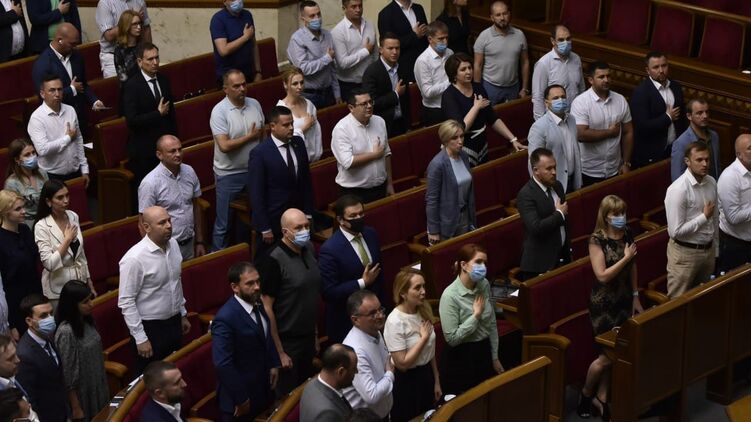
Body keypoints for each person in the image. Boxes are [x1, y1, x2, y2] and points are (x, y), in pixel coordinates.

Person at [579, 195, 642, 419]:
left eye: (623, 213)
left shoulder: (627, 233)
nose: (621, 217)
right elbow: (602, 276)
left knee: (616, 353)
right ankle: (586, 394)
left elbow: (633, 266)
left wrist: (635, 295)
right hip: (604, 306)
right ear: (606, 217)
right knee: (606, 356)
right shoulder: (597, 240)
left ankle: (602, 398)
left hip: (624, 300)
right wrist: (625, 258)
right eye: (616, 214)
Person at [118, 206, 191, 376]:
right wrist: (140, 338)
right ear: (146, 227)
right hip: (151, 328)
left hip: (173, 322)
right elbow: (126, 301)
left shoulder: (173, 245)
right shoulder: (134, 258)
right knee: (151, 379)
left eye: (169, 220)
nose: (169, 226)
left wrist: (182, 313)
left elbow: (175, 282)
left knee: (174, 373)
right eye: (162, 223)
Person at [259, 208, 320, 397]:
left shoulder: (309, 249)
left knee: (308, 392)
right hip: (287, 342)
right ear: (285, 232)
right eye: (298, 228)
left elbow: (310, 295)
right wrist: (279, 352)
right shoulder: (273, 260)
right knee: (289, 399)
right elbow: (267, 307)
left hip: (307, 336)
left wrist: (315, 334)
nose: (305, 231)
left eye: (306, 226)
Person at [212, 261, 280, 421]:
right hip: (240, 401)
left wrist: (273, 363)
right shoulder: (225, 318)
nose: (257, 287)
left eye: (258, 281)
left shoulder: (257, 302)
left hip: (261, 391)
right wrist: (241, 398)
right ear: (235, 287)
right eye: (250, 283)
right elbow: (223, 363)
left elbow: (265, 337)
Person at [247, 105, 315, 260]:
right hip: (273, 220)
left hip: (297, 218)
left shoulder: (298, 143)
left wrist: (308, 213)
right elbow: (256, 194)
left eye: (292, 123)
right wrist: (264, 227)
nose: (291, 128)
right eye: (286, 125)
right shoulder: (260, 153)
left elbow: (306, 182)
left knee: (299, 259)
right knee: (271, 262)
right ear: (273, 126)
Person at [209, 69, 264, 252]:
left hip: (253, 171)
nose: (242, 89)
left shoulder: (255, 104)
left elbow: (262, 135)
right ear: (226, 89)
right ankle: (217, 259)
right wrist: (250, 137)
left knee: (251, 218)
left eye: (244, 84)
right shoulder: (219, 111)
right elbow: (224, 145)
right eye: (236, 86)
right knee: (224, 224)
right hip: (229, 175)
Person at [319, 195, 384, 344]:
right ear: (340, 220)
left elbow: (379, 272)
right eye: (353, 216)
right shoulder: (330, 249)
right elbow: (329, 292)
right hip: (347, 321)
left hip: (375, 315)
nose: (359, 218)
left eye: (361, 213)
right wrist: (362, 282)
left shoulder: (371, 234)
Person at [438, 243, 502, 394]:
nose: (483, 267)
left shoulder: (484, 284)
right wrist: (476, 316)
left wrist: (494, 357)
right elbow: (452, 339)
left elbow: (492, 323)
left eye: (485, 262)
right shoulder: (449, 296)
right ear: (464, 265)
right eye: (478, 262)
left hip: (483, 352)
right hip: (461, 359)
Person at [442, 52, 523, 167]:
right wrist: (476, 107)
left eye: (470, 68)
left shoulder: (478, 88)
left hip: (482, 145)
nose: (468, 72)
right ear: (454, 74)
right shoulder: (449, 96)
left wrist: (513, 139)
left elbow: (492, 117)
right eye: (463, 69)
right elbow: (460, 129)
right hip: (463, 148)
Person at [384, 269, 440, 422]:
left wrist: (436, 379)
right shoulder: (395, 321)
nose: (423, 291)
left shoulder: (423, 309)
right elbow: (402, 364)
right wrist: (423, 339)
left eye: (423, 286)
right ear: (403, 293)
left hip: (426, 374)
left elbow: (430, 350)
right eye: (417, 288)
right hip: (407, 382)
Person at [138, 135, 205, 261]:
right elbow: (143, 222)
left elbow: (196, 207)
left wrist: (199, 241)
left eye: (180, 149)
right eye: (172, 151)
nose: (178, 154)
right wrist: (153, 255)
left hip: (190, 244)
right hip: (165, 249)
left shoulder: (189, 171)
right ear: (159, 155)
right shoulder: (150, 183)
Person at [664, 141, 718, 298]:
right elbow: (675, 232)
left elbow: (715, 219)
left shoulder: (711, 182)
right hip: (685, 255)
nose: (705, 164)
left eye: (707, 159)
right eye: (699, 160)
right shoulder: (678, 190)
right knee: (677, 302)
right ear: (687, 161)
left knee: (704, 300)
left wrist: (716, 249)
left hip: (708, 251)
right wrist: (703, 217)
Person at [31, 23, 105, 136]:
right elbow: (46, 97)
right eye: (72, 44)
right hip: (59, 122)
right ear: (60, 40)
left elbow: (83, 84)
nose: (75, 47)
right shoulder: (43, 64)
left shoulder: (77, 56)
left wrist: (94, 101)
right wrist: (71, 90)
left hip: (80, 119)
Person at [122, 42, 177, 188]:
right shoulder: (132, 86)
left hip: (165, 148)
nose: (155, 62)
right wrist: (157, 114)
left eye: (157, 58)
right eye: (150, 59)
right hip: (144, 150)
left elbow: (171, 114)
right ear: (140, 62)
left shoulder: (164, 80)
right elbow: (132, 120)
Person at [570, 61, 634, 187]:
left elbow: (628, 132)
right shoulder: (581, 102)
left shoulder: (620, 100)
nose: (606, 80)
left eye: (608, 76)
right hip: (588, 170)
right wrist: (609, 133)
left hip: (615, 168)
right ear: (591, 80)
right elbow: (581, 135)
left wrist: (626, 163)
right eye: (601, 77)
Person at [34, 179, 95, 306]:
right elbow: (49, 264)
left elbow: (81, 253)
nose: (66, 200)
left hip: (80, 284)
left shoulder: (73, 216)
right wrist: (67, 240)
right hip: (58, 289)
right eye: (60, 197)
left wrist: (88, 281)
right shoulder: (41, 226)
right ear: (48, 202)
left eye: (67, 195)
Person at [54, 280, 108, 422]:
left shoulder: (87, 321)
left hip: (98, 384)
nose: (91, 304)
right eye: (85, 302)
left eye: (90, 299)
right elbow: (67, 375)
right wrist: (76, 407)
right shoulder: (66, 332)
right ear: (72, 305)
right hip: (83, 394)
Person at [331, 89, 394, 203]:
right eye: (364, 104)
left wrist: (389, 183)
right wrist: (374, 155)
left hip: (380, 188)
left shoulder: (380, 121)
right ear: (351, 108)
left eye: (370, 102)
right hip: (354, 192)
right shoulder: (341, 129)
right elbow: (348, 162)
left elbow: (386, 153)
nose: (369, 106)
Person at [517, 148, 570, 281]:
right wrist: (559, 214)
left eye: (554, 167)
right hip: (539, 264)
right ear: (536, 171)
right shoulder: (526, 195)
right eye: (548, 169)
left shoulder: (557, 186)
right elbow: (536, 227)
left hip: (561, 257)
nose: (554, 172)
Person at [27, 74, 89, 185]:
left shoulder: (70, 110)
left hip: (75, 172)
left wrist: (84, 169)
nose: (57, 94)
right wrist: (67, 138)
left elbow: (78, 139)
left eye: (59, 89)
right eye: (52, 90)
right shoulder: (37, 118)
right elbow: (43, 149)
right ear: (42, 94)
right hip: (52, 176)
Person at [342, 290, 394, 419]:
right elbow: (371, 396)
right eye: (372, 313)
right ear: (355, 320)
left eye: (380, 309)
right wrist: (390, 374)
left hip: (384, 412)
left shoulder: (375, 331)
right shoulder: (355, 351)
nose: (380, 316)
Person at [631, 51, 687, 168]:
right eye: (656, 67)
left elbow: (682, 119)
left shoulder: (676, 87)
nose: (661, 70)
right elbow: (642, 126)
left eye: (664, 66)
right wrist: (667, 117)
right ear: (648, 70)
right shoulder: (641, 92)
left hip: (675, 150)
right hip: (651, 155)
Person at [15, 294, 67, 422]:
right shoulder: (24, 355)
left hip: (62, 411)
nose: (50, 319)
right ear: (29, 321)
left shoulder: (48, 336)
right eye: (43, 316)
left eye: (51, 313)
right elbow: (30, 399)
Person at [0, 190, 43, 339]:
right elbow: (4, 285)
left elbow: (34, 261)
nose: (24, 211)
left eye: (23, 207)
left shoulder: (24, 230)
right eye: (18, 209)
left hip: (35, 293)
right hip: (15, 301)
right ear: (5, 212)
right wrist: (11, 324)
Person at [426, 119, 476, 244]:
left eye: (462, 136)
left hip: (465, 216)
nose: (460, 141)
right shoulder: (437, 164)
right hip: (447, 222)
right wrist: (433, 230)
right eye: (455, 138)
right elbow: (432, 199)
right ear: (445, 140)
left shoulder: (464, 156)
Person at [527, 84, 582, 193]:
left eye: (563, 97)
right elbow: (533, 162)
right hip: (553, 185)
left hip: (573, 180)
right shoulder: (539, 126)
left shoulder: (571, 120)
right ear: (546, 102)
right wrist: (542, 191)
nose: (560, 100)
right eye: (556, 98)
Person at [473, 0, 529, 105]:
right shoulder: (484, 37)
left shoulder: (519, 35)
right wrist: (478, 90)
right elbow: (477, 65)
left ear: (509, 14)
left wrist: (524, 88)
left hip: (513, 87)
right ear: (492, 17)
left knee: (512, 114)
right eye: (498, 15)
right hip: (490, 87)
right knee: (489, 114)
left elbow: (525, 62)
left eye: (505, 13)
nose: (502, 18)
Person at [287, 0, 340, 109]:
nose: (317, 18)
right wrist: (326, 58)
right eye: (312, 16)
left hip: (329, 92)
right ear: (303, 19)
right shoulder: (297, 39)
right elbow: (302, 69)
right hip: (309, 95)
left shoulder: (328, 35)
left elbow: (332, 68)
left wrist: (337, 92)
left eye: (318, 14)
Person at [531, 24, 585, 120]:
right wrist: (541, 123)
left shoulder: (576, 59)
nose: (566, 42)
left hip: (575, 116)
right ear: (553, 41)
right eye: (561, 40)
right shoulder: (543, 64)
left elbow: (581, 88)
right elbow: (538, 97)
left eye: (568, 39)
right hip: (553, 119)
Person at [361, 32, 409, 138]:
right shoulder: (372, 72)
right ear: (381, 50)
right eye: (390, 48)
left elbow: (407, 98)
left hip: (402, 122)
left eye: (397, 48)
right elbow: (372, 103)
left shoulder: (403, 67)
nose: (394, 52)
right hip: (383, 125)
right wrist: (395, 95)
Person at [331, 0, 378, 103]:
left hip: (370, 81)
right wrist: (365, 51)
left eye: (360, 6)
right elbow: (342, 63)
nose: (358, 9)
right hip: (349, 86)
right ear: (344, 8)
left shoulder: (370, 24)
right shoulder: (338, 32)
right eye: (354, 6)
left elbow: (375, 54)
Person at [717, 134, 751, 273]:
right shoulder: (729, 177)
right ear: (739, 155)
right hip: (735, 245)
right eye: (750, 148)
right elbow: (733, 217)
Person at [299, 343, 356, 422]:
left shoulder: (312, 384)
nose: (357, 371)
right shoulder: (327, 414)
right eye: (354, 369)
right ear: (341, 372)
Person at [210, 0, 262, 85]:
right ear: (224, 2)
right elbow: (223, 51)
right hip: (228, 77)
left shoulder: (247, 15)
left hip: (248, 73)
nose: (237, 1)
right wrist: (245, 37)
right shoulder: (218, 20)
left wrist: (258, 72)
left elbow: (253, 45)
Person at [277, 67, 323, 163]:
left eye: (302, 82)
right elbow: (282, 139)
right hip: (294, 161)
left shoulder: (309, 104)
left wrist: (317, 156)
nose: (300, 87)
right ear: (285, 85)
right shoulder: (280, 110)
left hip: (314, 159)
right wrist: (304, 128)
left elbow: (317, 133)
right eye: (295, 84)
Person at [95, 0, 151, 78]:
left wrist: (149, 51)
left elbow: (146, 27)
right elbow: (109, 36)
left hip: (137, 53)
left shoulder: (139, 1)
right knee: (120, 84)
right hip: (113, 55)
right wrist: (129, 21)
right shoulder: (105, 3)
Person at [377, 0, 428, 83]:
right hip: (402, 69)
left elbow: (425, 37)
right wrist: (414, 35)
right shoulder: (386, 13)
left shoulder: (418, 8)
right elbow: (388, 45)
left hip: (423, 66)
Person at [670, 98, 720, 181]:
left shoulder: (714, 136)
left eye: (707, 112)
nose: (705, 116)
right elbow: (677, 177)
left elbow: (716, 167)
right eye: (699, 113)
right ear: (689, 116)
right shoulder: (681, 143)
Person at [414, 21, 452, 126]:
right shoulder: (423, 61)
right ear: (430, 39)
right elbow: (427, 92)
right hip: (434, 110)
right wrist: (450, 82)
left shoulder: (450, 53)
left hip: (451, 103)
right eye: (441, 39)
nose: (445, 42)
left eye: (446, 38)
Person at [3, 139, 49, 228]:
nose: (32, 156)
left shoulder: (42, 173)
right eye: (27, 155)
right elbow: (12, 212)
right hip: (26, 225)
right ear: (17, 159)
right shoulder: (12, 183)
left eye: (33, 153)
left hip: (47, 219)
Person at [113, 10, 144, 85]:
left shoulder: (143, 46)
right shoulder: (119, 50)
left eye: (139, 23)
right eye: (135, 24)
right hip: (130, 87)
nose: (139, 27)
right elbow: (123, 78)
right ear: (126, 26)